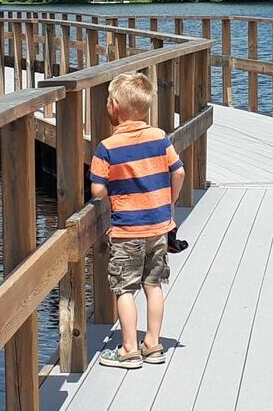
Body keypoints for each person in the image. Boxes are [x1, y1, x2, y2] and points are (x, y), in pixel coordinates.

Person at [89, 71, 185, 368]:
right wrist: (168, 203)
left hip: (127, 230)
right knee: (153, 285)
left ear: (114, 105)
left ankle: (129, 348)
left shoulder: (107, 147)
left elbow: (98, 191)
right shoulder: (159, 137)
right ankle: (153, 345)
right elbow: (178, 172)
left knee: (124, 288)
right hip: (159, 227)